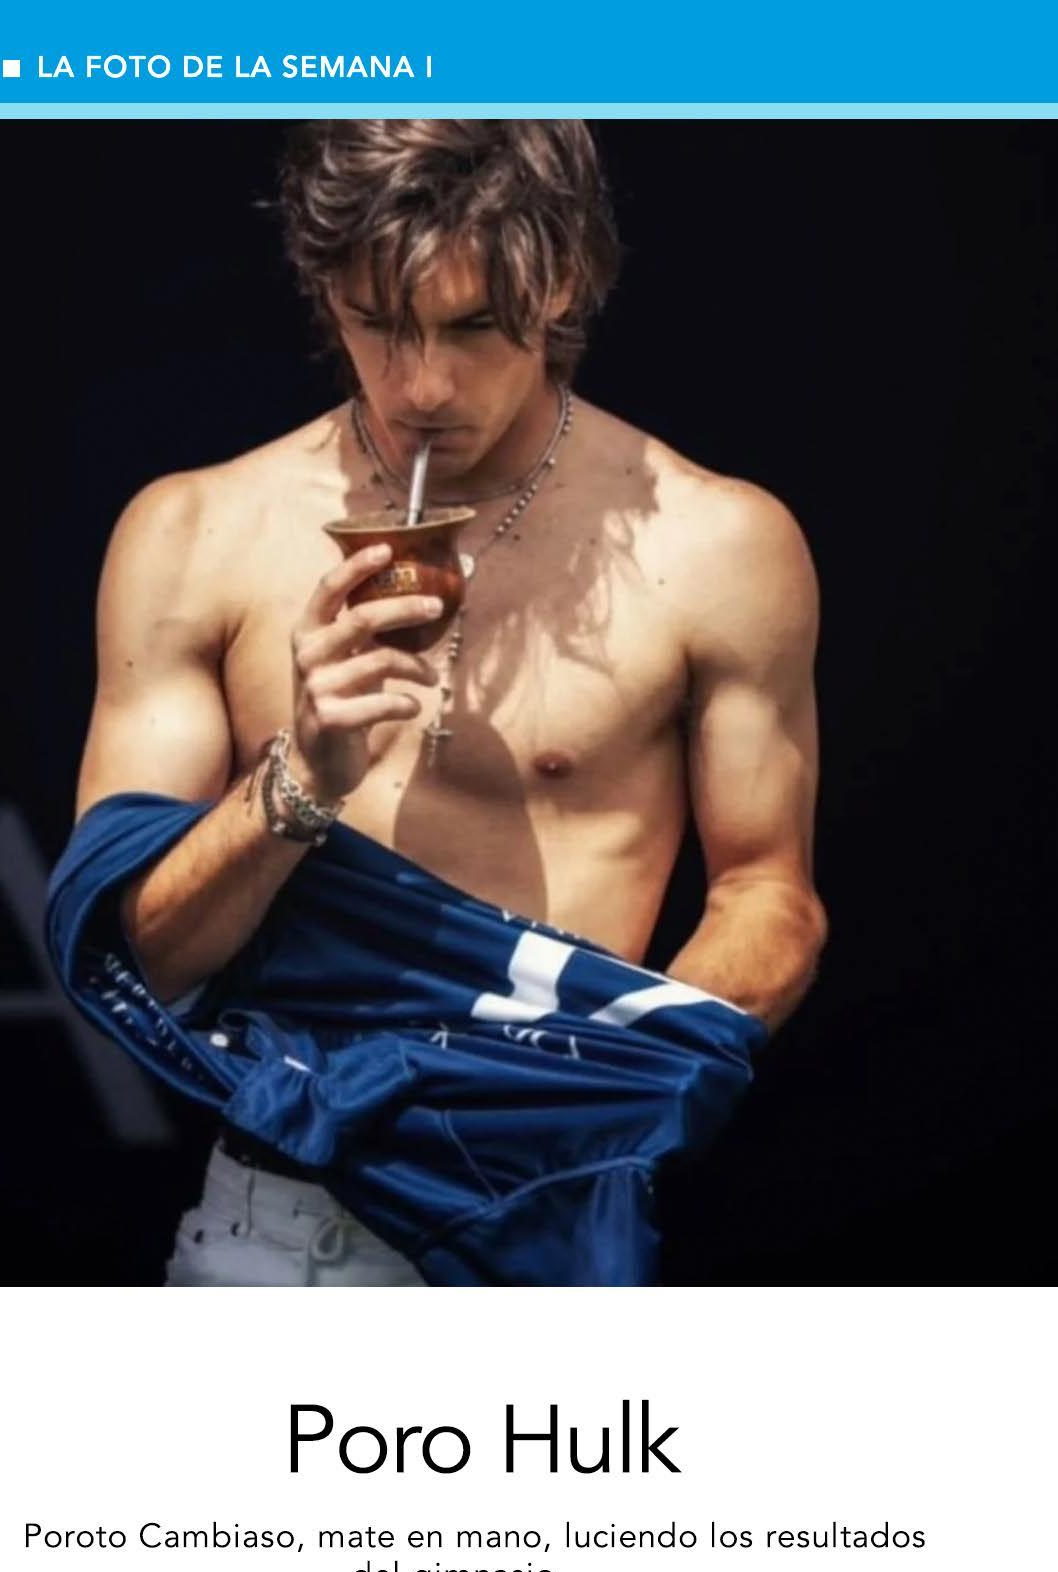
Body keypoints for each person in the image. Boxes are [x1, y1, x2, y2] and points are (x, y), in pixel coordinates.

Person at [62, 120, 827, 1286]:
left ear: (559, 282)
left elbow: (768, 896)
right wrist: (297, 782)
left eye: (472, 326)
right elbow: (140, 960)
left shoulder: (715, 544)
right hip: (271, 1226)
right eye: (377, 321)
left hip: (540, 1210)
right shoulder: (194, 533)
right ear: (322, 288)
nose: (420, 385)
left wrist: (594, 1093)